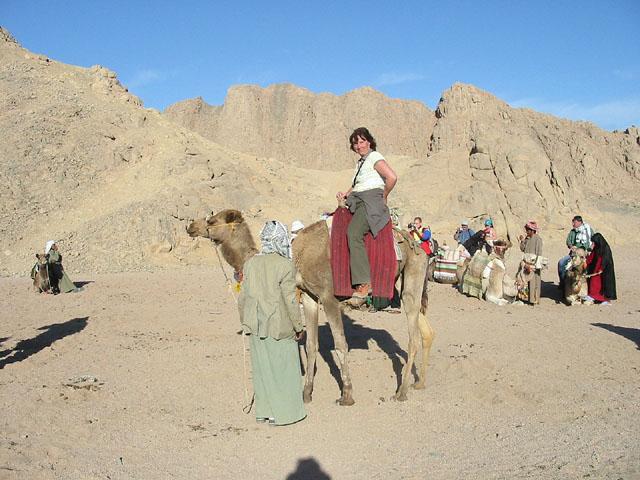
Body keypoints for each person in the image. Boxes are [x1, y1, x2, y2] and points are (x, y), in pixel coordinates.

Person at [238, 220, 306, 426]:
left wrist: (245, 322)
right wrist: (298, 326)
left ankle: (264, 411)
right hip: (279, 324)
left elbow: (243, 297)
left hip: (255, 323)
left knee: (262, 368)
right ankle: (284, 413)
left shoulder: (250, 264)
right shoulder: (285, 265)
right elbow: (290, 300)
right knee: (283, 369)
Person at [336, 127, 397, 299]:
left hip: (369, 202)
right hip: (357, 199)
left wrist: (384, 196)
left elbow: (392, 177)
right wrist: (345, 194)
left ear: (369, 142)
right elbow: (358, 184)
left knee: (353, 233)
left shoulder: (374, 157)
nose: (359, 146)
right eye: (355, 143)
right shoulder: (360, 163)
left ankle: (364, 282)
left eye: (362, 141)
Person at [558, 215, 595, 285]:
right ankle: (563, 283)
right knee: (561, 263)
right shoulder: (573, 231)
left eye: (574, 222)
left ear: (579, 222)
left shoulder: (589, 230)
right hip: (574, 255)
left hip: (586, 255)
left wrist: (590, 249)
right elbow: (568, 241)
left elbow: (594, 241)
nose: (573, 224)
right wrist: (572, 246)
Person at [584, 232, 616, 305]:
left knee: (601, 283)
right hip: (597, 267)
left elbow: (606, 260)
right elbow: (592, 256)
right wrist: (586, 261)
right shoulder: (597, 247)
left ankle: (605, 300)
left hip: (604, 269)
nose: (593, 244)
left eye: (594, 242)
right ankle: (592, 295)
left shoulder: (605, 248)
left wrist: (601, 269)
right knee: (593, 281)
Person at [517, 221, 543, 305]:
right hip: (526, 263)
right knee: (525, 281)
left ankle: (534, 300)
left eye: (528, 230)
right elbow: (522, 249)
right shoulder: (527, 239)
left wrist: (534, 266)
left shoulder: (538, 239)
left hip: (533, 264)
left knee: (534, 282)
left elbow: (539, 253)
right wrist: (522, 241)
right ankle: (529, 299)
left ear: (532, 230)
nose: (526, 232)